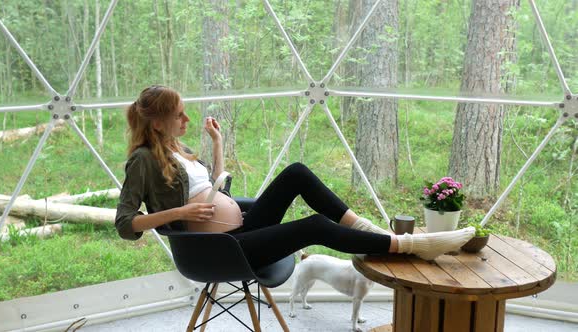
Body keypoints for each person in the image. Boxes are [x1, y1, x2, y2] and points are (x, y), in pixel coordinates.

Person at [115, 85, 475, 269]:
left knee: (297, 172)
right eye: (179, 115)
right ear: (157, 121)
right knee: (314, 226)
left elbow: (212, 189)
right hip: (223, 251)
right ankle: (411, 247)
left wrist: (218, 143)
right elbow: (126, 224)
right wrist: (180, 214)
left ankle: (369, 231)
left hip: (240, 229)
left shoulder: (176, 147)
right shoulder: (143, 160)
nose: (187, 120)